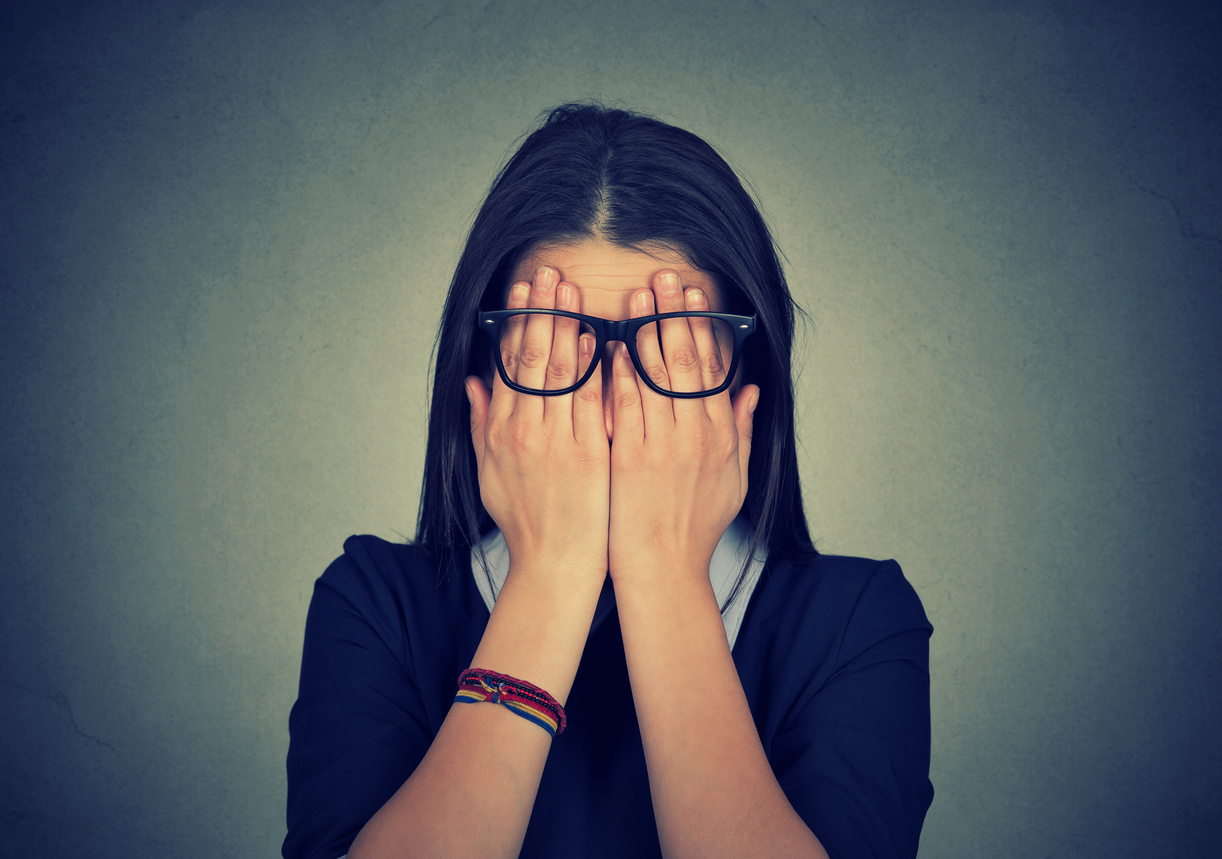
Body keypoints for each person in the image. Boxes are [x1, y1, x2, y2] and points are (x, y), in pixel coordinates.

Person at [283, 103, 933, 859]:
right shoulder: (374, 602)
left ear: (744, 389)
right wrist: (553, 570)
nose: (616, 398)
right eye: (555, 350)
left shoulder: (858, 621)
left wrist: (661, 565)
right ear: (483, 385)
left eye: (672, 350)